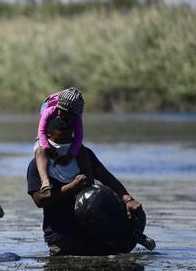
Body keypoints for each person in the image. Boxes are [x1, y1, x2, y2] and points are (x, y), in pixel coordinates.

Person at [27, 117, 156, 255]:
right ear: (48, 135)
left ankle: (131, 235)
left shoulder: (84, 155)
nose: (66, 143)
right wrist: (70, 187)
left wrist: (128, 199)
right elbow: (39, 200)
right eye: (61, 138)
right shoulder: (37, 166)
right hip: (62, 237)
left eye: (69, 137)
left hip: (92, 233)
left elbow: (108, 179)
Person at [35, 87, 93, 194]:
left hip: (66, 139)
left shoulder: (76, 117)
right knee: (40, 151)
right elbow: (41, 130)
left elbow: (79, 136)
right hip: (47, 132)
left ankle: (90, 180)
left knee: (81, 148)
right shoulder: (49, 110)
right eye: (61, 112)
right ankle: (45, 182)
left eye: (66, 114)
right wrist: (48, 148)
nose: (61, 115)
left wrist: (71, 154)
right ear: (58, 107)